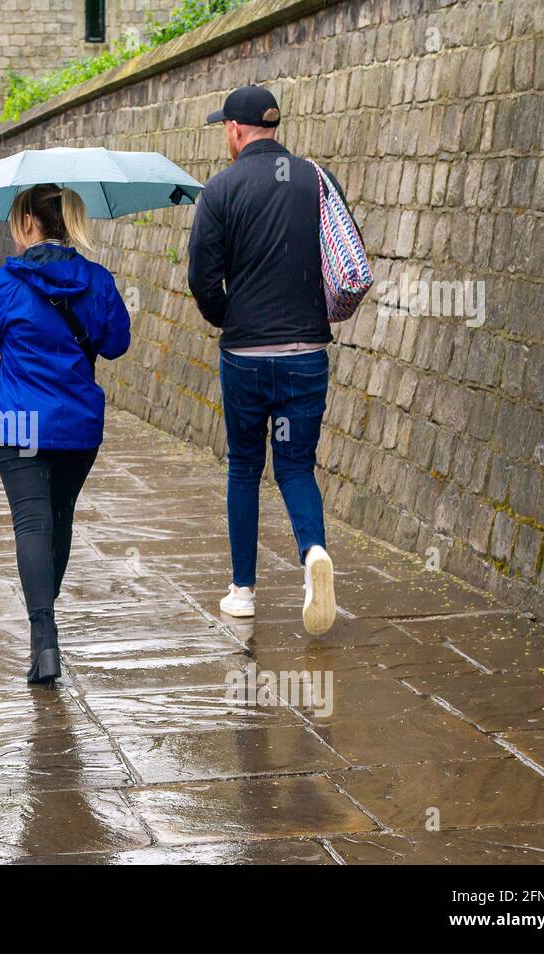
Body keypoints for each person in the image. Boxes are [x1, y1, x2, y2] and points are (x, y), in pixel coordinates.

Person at [187, 85, 351, 636]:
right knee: (296, 465)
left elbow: (203, 282)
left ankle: (243, 590)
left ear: (235, 131)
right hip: (307, 351)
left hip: (246, 356)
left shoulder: (220, 190)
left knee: (243, 466)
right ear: (273, 128)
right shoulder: (313, 178)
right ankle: (313, 556)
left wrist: (229, 318)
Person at [0, 184, 131, 684]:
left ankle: (44, 638)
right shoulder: (97, 280)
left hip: (20, 424)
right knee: (58, 521)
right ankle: (45, 630)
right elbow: (117, 342)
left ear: (29, 225)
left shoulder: (5, 284)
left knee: (31, 525)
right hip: (78, 427)